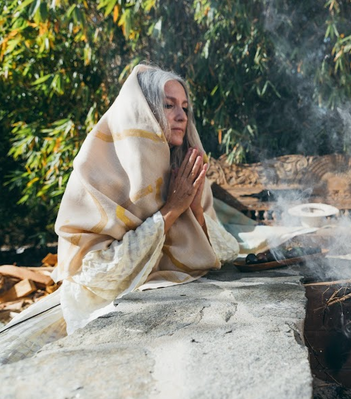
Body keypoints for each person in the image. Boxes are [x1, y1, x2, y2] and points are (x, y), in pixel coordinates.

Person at [0, 64, 239, 363]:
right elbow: (94, 274)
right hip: (100, 303)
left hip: (166, 293)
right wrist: (171, 211)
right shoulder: (97, 171)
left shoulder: (181, 165)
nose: (181, 116)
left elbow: (224, 251)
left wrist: (193, 211)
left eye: (185, 107)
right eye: (168, 105)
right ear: (142, 110)